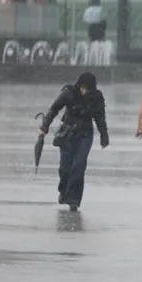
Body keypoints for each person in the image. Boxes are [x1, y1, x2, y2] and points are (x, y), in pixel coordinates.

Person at [38, 72, 109, 212]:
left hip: (85, 135)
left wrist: (104, 136)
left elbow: (100, 119)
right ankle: (63, 192)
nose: (84, 91)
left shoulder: (96, 98)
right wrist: (44, 127)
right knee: (65, 167)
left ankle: (74, 200)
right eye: (83, 88)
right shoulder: (69, 93)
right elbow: (54, 109)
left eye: (87, 89)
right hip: (68, 134)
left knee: (79, 165)